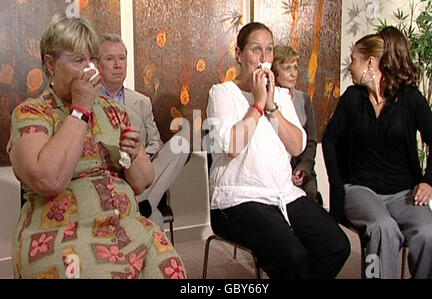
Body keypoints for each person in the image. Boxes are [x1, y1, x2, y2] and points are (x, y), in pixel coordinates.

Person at [7, 14, 185, 279]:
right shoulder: (32, 113)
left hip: (128, 228)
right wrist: (80, 109)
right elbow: (48, 180)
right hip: (65, 235)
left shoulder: (114, 110)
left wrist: (132, 154)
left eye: (92, 60)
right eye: (79, 60)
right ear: (50, 63)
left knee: (172, 268)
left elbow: (143, 182)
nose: (90, 69)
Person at [206, 22, 350, 279]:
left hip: (283, 194)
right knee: (292, 257)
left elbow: (297, 145)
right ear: (239, 54)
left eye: (269, 50)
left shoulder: (281, 96)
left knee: (336, 245)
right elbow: (233, 147)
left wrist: (272, 105)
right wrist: (258, 103)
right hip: (238, 199)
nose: (263, 59)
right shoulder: (222, 93)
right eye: (256, 50)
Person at [322, 26, 432, 279]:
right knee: (382, 228)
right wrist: (337, 185)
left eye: (353, 60)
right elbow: (330, 140)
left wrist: (428, 181)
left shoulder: (411, 98)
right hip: (360, 190)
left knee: (430, 234)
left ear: (370, 62)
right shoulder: (352, 98)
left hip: (403, 192)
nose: (350, 67)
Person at [97, 34, 190, 229]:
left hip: (142, 171)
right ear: (98, 64)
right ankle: (143, 206)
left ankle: (140, 202)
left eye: (122, 58)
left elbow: (155, 143)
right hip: (111, 176)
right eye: (110, 59)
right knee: (153, 220)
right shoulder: (88, 101)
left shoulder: (141, 101)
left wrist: (141, 156)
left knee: (184, 138)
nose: (118, 65)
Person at [271, 45, 321, 205]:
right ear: (275, 72)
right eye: (287, 68)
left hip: (301, 168)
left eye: (295, 68)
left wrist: (303, 169)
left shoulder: (304, 99)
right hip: (275, 170)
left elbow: (311, 142)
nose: (293, 74)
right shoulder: (267, 100)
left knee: (310, 191)